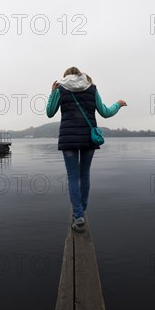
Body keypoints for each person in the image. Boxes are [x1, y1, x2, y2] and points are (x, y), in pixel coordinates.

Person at [46, 67, 127, 232]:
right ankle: (81, 210)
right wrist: (118, 104)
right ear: (81, 75)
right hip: (88, 139)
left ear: (66, 76)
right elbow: (105, 112)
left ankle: (78, 216)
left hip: (69, 139)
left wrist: (52, 93)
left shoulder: (60, 89)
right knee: (85, 175)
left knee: (73, 177)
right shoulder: (92, 88)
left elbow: (50, 112)